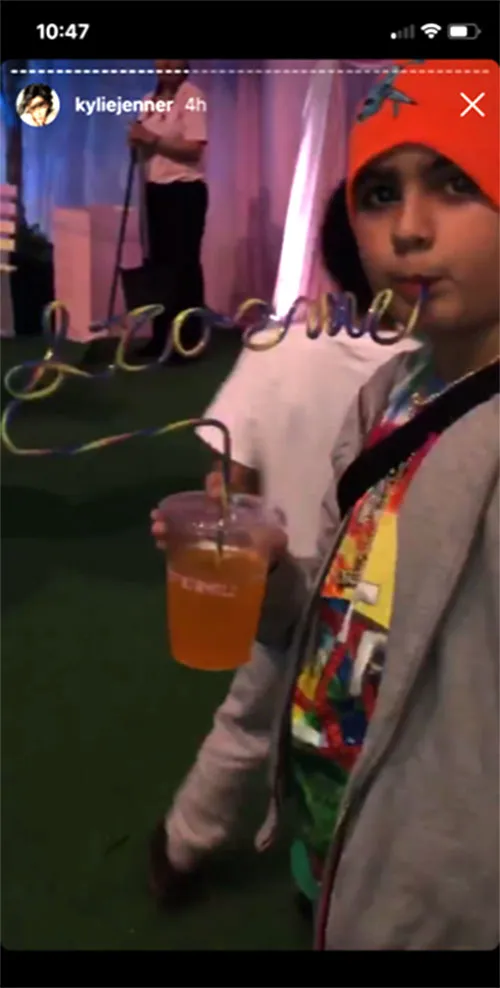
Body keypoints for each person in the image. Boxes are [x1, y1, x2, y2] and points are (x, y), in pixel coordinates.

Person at [149, 57, 499, 950]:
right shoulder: (389, 393)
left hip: (438, 889)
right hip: (335, 823)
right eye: (380, 194)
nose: (408, 229)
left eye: (457, 184)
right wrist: (275, 577)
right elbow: (340, 600)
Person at [148, 181, 419, 908]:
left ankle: (182, 845)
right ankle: (324, 868)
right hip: (373, 607)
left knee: (245, 724)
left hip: (277, 588)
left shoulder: (279, 343)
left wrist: (227, 511)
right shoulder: (432, 373)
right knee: (367, 742)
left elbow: (228, 475)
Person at [128, 60, 208, 357]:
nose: (166, 64)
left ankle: (186, 341)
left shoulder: (192, 96)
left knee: (183, 267)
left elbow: (194, 149)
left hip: (184, 191)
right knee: (159, 267)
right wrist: (135, 142)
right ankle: (159, 337)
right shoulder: (148, 101)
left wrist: (152, 139)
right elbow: (141, 151)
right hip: (155, 191)